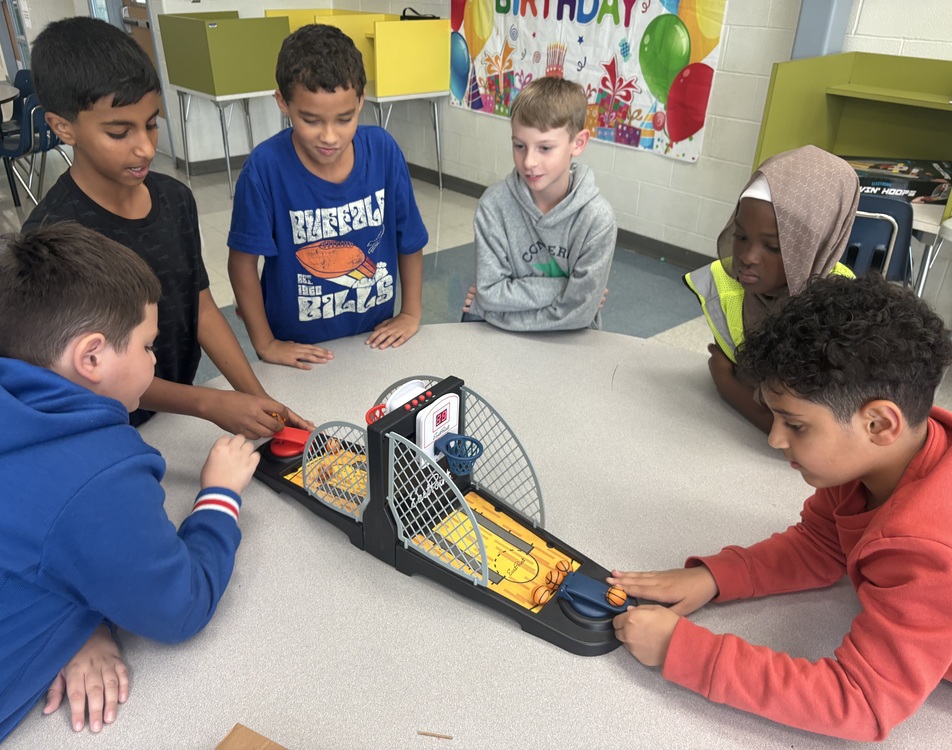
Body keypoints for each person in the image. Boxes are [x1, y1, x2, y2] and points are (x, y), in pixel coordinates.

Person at [0, 224, 262, 748]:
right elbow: (179, 606)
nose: (154, 361)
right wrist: (219, 495)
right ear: (91, 357)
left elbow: (25, 543)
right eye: (147, 345)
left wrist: (77, 621)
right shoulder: (100, 472)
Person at [609, 274, 952, 741]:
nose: (775, 439)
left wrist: (686, 652)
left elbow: (860, 702)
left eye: (795, 424)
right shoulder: (879, 458)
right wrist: (717, 576)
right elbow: (819, 544)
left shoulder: (928, 548)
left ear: (878, 423)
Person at [23, 17, 309, 438]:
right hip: (101, 431)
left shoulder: (175, 200)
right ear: (62, 127)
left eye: (152, 123)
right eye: (119, 132)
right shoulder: (53, 238)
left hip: (174, 413)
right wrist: (208, 403)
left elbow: (202, 307)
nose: (145, 147)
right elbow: (92, 373)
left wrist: (255, 398)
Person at [227, 24, 429, 370]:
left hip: (371, 340)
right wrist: (266, 343)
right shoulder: (264, 169)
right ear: (283, 103)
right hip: (299, 349)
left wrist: (410, 312)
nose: (330, 136)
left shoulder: (383, 151)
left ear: (361, 101)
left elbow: (408, 239)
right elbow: (242, 264)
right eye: (311, 120)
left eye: (345, 118)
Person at [684, 145, 859, 433]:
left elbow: (795, 430)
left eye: (773, 247)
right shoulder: (728, 285)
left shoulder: (844, 317)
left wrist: (726, 383)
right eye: (741, 235)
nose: (747, 257)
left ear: (818, 245)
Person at [461, 76, 616, 330]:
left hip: (570, 338)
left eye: (545, 148)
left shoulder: (597, 218)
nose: (529, 162)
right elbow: (489, 293)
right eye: (520, 145)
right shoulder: (494, 205)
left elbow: (579, 315)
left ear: (578, 143)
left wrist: (496, 313)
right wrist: (569, 288)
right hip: (496, 338)